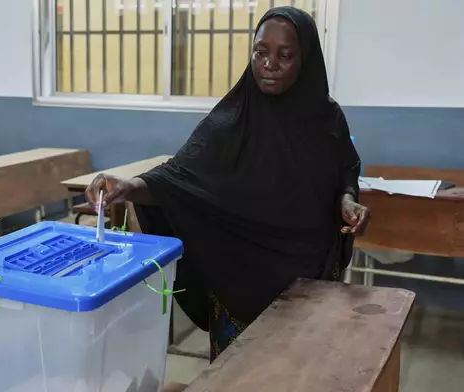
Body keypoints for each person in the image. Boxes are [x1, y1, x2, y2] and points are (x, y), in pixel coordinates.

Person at [86, 6, 369, 362]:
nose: (269, 64)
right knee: (235, 377)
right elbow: (176, 180)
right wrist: (128, 187)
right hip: (240, 276)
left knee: (303, 374)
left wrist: (347, 199)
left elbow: (345, 169)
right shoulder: (230, 120)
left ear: (306, 59)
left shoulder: (327, 119)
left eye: (285, 56)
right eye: (260, 52)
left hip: (310, 274)